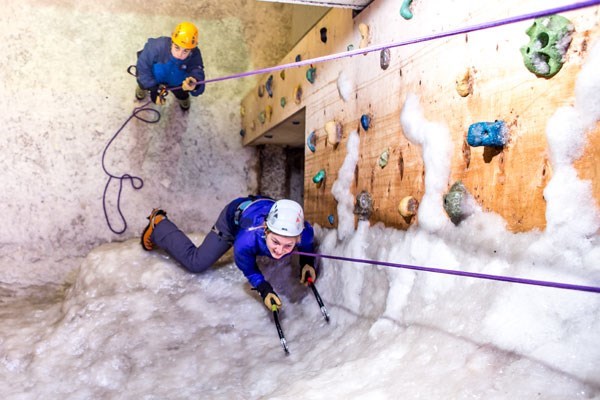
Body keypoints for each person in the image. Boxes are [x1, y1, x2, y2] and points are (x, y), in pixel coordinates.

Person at [141, 196, 318, 311]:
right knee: (196, 263)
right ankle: (160, 224)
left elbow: (306, 247)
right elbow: (248, 268)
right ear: (265, 229)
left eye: (288, 246)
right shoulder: (245, 240)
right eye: (275, 242)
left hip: (261, 207)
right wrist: (264, 289)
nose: (279, 251)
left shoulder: (305, 234)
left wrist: (306, 263)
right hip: (232, 220)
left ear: (298, 237)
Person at [135, 21, 205, 111]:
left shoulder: (194, 55)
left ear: (192, 49)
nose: (179, 54)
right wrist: (152, 87)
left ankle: (182, 98)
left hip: (177, 83)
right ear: (172, 41)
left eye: (186, 51)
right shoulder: (156, 47)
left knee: (181, 93)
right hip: (154, 77)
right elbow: (143, 65)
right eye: (177, 47)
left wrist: (195, 83)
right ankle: (143, 88)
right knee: (143, 82)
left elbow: (197, 70)